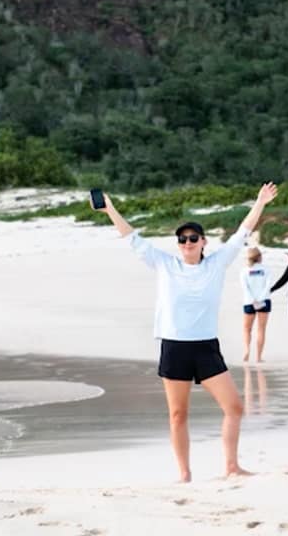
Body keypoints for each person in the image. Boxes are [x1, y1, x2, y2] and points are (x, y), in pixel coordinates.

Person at [94, 182, 277, 482]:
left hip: (205, 347)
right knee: (178, 414)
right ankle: (184, 473)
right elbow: (132, 238)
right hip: (175, 347)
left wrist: (260, 203)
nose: (187, 243)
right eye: (182, 239)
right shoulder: (165, 264)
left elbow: (242, 232)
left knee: (234, 407)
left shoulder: (217, 263)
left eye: (193, 238)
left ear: (204, 242)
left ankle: (231, 466)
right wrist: (109, 208)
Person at [240, 246, 272, 362]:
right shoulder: (266, 270)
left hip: (249, 301)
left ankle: (247, 350)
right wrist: (260, 299)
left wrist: (253, 299)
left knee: (247, 328)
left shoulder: (245, 271)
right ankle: (259, 356)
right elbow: (267, 286)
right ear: (259, 257)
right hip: (264, 301)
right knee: (261, 329)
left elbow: (245, 288)